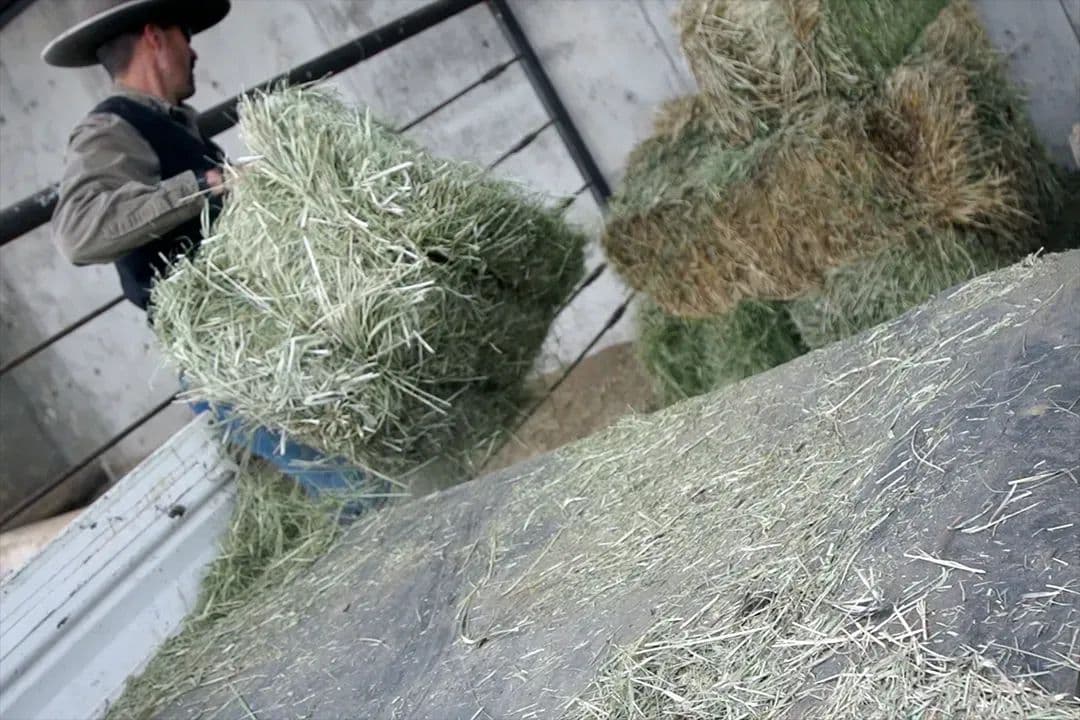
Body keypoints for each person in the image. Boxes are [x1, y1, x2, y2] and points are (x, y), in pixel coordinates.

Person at [45, 0, 371, 504]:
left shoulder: (176, 124)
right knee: (360, 491)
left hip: (255, 343)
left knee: (357, 477)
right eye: (185, 35)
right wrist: (205, 185)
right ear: (155, 38)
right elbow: (78, 231)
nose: (194, 52)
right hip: (222, 359)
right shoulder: (109, 128)